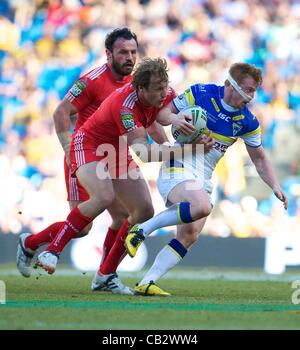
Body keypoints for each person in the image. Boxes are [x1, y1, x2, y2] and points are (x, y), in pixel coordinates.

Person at [18, 57, 209, 295]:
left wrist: (175, 121)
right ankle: (52, 250)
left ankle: (105, 276)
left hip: (116, 150)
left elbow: (162, 115)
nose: (164, 93)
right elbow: (144, 153)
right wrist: (190, 149)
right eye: (158, 89)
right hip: (89, 144)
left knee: (143, 211)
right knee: (103, 197)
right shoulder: (125, 106)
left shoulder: (164, 92)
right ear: (141, 89)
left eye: (164, 87)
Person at [125, 62, 289, 296]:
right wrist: (177, 120)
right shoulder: (201, 93)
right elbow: (162, 115)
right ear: (232, 85)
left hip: (203, 176)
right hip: (179, 164)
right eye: (249, 89)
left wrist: (275, 185)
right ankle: (141, 230)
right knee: (202, 206)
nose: (252, 96)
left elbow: (260, 159)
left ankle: (147, 281)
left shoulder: (248, 121)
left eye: (255, 90)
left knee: (189, 234)